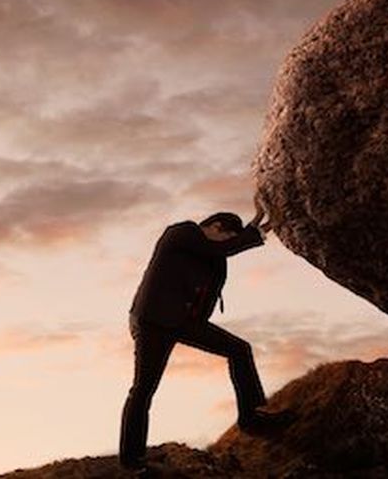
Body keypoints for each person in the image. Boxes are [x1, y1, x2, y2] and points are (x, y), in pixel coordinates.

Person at [119, 196, 290, 475]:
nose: (225, 245)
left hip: (185, 322)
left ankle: (252, 417)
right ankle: (132, 460)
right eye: (225, 238)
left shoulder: (212, 250)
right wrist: (258, 227)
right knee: (143, 389)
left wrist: (260, 223)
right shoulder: (182, 233)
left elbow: (225, 248)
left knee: (239, 349)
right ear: (214, 226)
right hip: (153, 321)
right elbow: (222, 248)